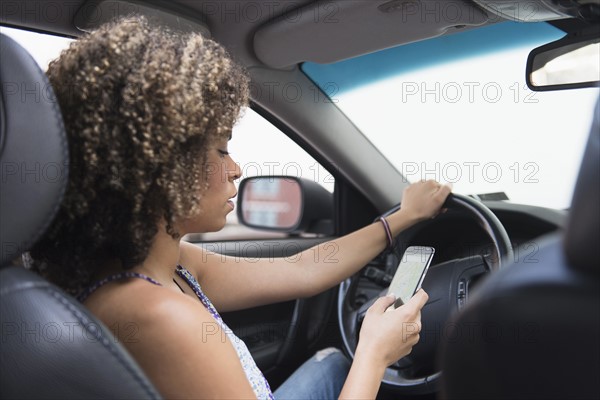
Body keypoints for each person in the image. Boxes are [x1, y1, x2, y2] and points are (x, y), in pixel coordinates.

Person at [30, 17, 451, 399]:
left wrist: (403, 216)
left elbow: (301, 270)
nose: (236, 169)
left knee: (335, 365)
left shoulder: (162, 266)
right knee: (352, 366)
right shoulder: (165, 319)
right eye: (220, 150)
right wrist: (375, 354)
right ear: (157, 164)